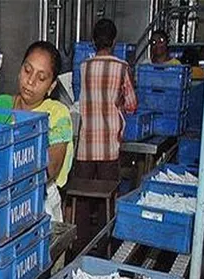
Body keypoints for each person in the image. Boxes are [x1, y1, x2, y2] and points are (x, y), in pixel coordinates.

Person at [0, 41, 74, 223]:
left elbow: (51, 167)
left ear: (51, 86)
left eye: (41, 78)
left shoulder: (56, 114)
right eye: (27, 70)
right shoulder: (1, 105)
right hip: (1, 198)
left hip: (41, 199)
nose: (31, 81)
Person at [76, 19, 137, 248]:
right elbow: (131, 104)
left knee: (82, 199)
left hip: (85, 144)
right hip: (110, 144)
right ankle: (103, 245)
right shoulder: (122, 67)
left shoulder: (84, 66)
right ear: (114, 41)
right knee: (107, 197)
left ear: (94, 41)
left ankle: (80, 245)